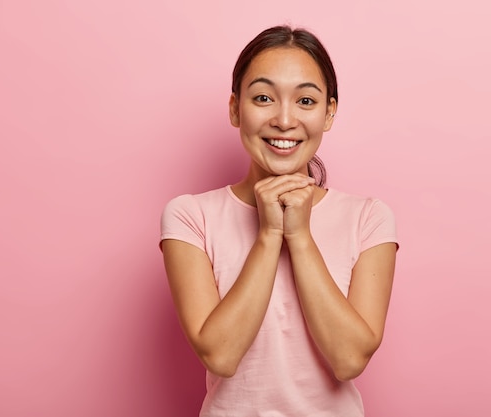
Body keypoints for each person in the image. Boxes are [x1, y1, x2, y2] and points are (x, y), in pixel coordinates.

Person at [160, 25, 398, 417]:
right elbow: (220, 355)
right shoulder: (190, 217)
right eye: (264, 98)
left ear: (329, 113)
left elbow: (349, 359)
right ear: (236, 109)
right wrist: (270, 233)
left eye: (305, 100)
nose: (284, 120)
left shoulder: (368, 217)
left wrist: (300, 236)